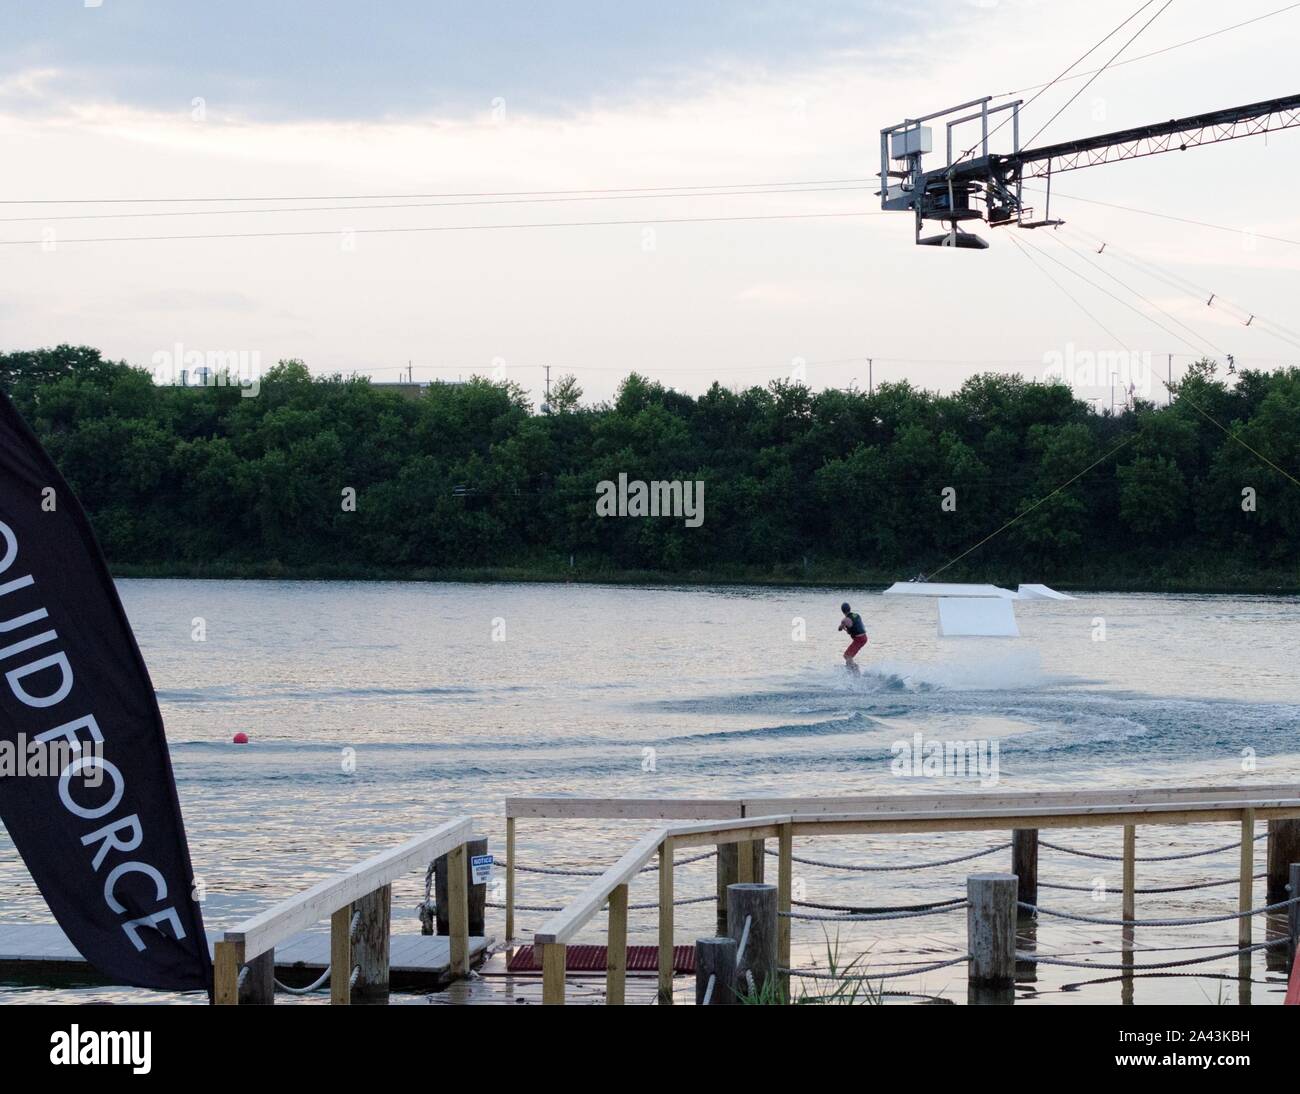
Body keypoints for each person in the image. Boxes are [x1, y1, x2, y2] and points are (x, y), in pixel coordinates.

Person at [838, 601, 868, 669]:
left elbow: (840, 628)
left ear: (842, 611)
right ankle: (852, 670)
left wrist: (842, 627)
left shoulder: (845, 620)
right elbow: (858, 625)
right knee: (848, 657)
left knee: (847, 656)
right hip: (864, 637)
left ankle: (856, 672)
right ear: (850, 608)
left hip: (859, 639)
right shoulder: (857, 615)